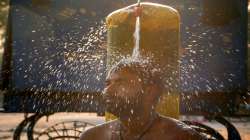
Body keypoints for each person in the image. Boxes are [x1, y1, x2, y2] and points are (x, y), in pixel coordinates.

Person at [80, 59, 206, 140]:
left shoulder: (181, 136)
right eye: (108, 83)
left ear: (150, 91)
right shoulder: (92, 136)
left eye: (120, 83)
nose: (108, 90)